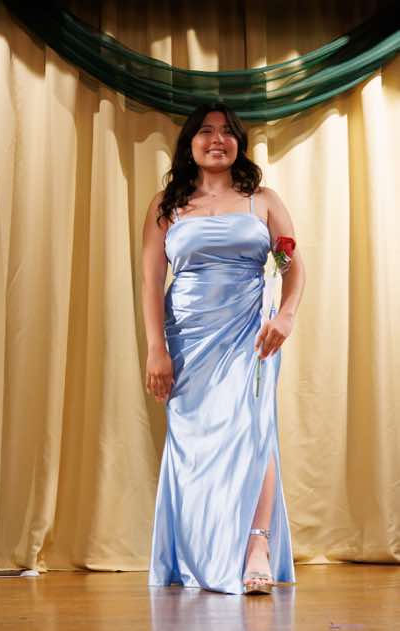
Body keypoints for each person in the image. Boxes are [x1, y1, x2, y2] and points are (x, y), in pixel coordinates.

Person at [141, 103, 306, 595]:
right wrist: (155, 348)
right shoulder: (166, 206)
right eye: (206, 131)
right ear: (189, 143)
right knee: (194, 446)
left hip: (249, 335)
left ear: (240, 143)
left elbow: (292, 266)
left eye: (228, 131)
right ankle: (196, 549)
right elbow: (150, 282)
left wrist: (285, 316)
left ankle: (257, 546)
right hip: (187, 340)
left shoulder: (264, 201)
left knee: (256, 428)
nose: (218, 139)